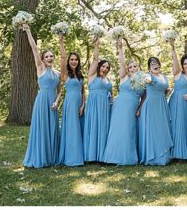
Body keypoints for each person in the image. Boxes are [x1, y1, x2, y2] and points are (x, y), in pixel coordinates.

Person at [19, 22, 60, 167]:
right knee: (42, 128)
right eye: (47, 56)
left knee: (53, 128)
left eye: (51, 56)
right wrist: (28, 31)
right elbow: (34, 49)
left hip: (52, 104)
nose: (50, 58)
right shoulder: (40, 68)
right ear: (43, 59)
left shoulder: (58, 73)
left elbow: (60, 91)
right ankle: (40, 157)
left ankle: (51, 158)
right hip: (42, 101)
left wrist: (57, 102)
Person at [100, 39, 143, 165]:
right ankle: (112, 157)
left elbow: (145, 96)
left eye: (135, 66)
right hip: (120, 106)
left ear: (138, 68)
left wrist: (140, 108)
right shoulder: (124, 77)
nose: (132, 68)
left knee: (128, 130)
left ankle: (127, 158)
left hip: (132, 107)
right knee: (117, 129)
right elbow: (122, 63)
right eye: (130, 67)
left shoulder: (143, 79)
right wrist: (120, 49)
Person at [136, 56, 174, 165]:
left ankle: (164, 156)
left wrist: (168, 91)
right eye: (152, 64)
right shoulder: (148, 76)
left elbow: (163, 91)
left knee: (162, 128)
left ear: (159, 65)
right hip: (151, 105)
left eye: (156, 63)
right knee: (153, 130)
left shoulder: (164, 77)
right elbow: (144, 84)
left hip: (162, 104)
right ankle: (152, 158)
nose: (155, 65)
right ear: (149, 68)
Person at [82, 33, 113, 162]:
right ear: (99, 66)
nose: (105, 68)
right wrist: (96, 44)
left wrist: (112, 103)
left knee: (104, 128)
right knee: (94, 127)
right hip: (94, 105)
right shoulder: (92, 76)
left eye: (107, 67)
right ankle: (91, 155)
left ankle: (102, 155)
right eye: (103, 66)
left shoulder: (108, 79)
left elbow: (112, 93)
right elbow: (95, 59)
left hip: (105, 106)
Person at [55, 34, 85, 167]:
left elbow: (83, 91)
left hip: (79, 104)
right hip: (70, 103)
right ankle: (72, 157)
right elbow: (62, 57)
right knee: (72, 128)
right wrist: (61, 41)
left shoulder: (80, 74)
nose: (74, 61)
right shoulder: (65, 74)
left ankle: (81, 155)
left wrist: (83, 105)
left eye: (76, 59)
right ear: (69, 61)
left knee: (80, 128)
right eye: (72, 59)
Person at [167, 37, 187, 162]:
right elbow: (174, 62)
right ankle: (175, 154)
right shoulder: (178, 74)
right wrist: (172, 48)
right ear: (182, 65)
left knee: (186, 126)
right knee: (176, 126)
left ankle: (184, 152)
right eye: (185, 63)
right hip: (177, 102)